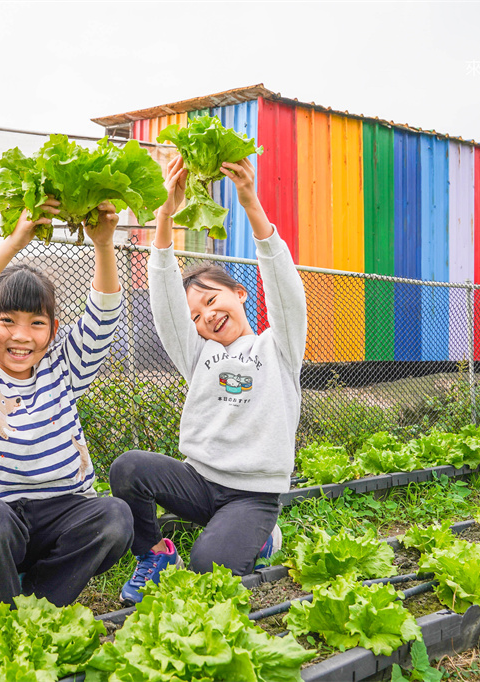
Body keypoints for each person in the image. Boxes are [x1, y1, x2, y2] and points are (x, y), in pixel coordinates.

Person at [110, 155, 307, 604]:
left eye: (213, 301)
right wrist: (164, 215)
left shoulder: (278, 348)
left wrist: (250, 203)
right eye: (196, 315)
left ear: (239, 294)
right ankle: (156, 555)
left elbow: (284, 288)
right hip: (198, 482)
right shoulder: (197, 353)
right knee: (128, 468)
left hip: (252, 496)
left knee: (208, 568)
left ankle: (261, 537)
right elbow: (163, 298)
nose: (207, 316)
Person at [0, 198, 133, 607]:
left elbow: (104, 314)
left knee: (115, 518)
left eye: (36, 323)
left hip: (60, 516)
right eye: (7, 321)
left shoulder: (65, 369)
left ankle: (41, 602)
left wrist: (103, 243)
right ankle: (2, 610)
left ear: (53, 329)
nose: (22, 336)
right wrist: (13, 242)